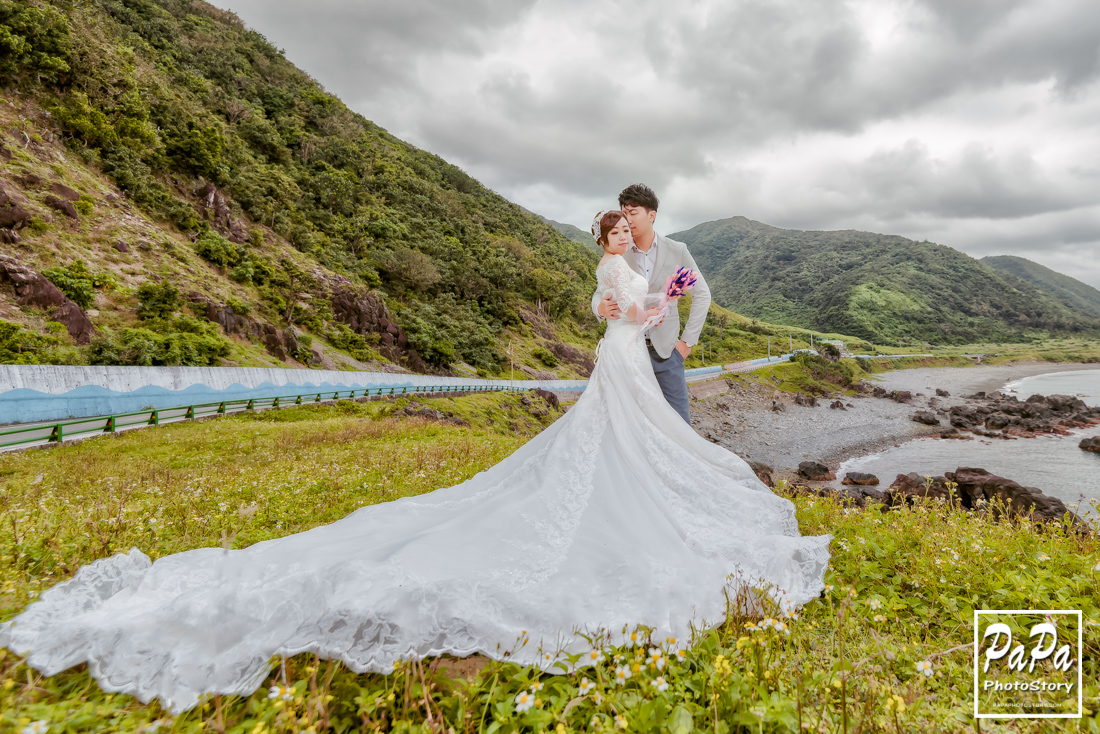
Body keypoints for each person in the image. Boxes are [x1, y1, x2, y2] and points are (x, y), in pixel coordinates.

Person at [1, 211, 831, 715]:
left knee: (610, 439)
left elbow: (622, 311)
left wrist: (669, 296)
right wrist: (674, 292)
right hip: (620, 359)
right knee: (613, 441)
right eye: (617, 229)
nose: (623, 235)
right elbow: (632, 310)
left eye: (626, 227)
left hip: (615, 360)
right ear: (610, 238)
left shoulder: (610, 268)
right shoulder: (617, 267)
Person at [593, 183, 709, 424]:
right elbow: (599, 292)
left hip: (666, 354)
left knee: (679, 424)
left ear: (651, 215)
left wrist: (687, 342)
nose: (627, 220)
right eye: (624, 213)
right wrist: (600, 309)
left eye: (633, 212)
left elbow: (702, 294)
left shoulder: (677, 250)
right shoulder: (618, 251)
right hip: (628, 351)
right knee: (633, 425)